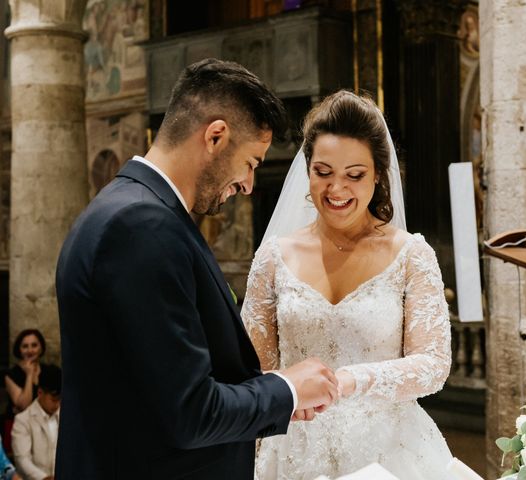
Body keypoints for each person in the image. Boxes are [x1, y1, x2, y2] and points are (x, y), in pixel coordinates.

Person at [55, 58, 339, 479]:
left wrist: (265, 392)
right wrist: (287, 390)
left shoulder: (136, 210)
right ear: (216, 136)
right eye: (252, 163)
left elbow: (160, 383)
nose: (248, 185)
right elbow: (190, 412)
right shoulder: (140, 227)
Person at [242, 90, 454, 479]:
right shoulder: (273, 258)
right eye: (323, 172)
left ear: (378, 175)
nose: (336, 190)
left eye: (354, 175)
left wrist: (352, 380)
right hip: (293, 452)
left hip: (390, 452)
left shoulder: (411, 255)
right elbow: (255, 374)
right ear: (308, 171)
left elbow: (434, 365)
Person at [11, 365, 61, 480]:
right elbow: (22, 460)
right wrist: (44, 478)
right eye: (53, 399)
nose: (57, 404)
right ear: (40, 393)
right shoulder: (23, 420)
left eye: (60, 399)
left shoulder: (65, 417)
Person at [4, 330, 48, 415]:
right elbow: (24, 406)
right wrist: (29, 374)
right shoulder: (10, 374)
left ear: (41, 348)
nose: (30, 350)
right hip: (19, 425)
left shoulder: (51, 371)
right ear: (19, 349)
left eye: (34, 345)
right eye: (25, 346)